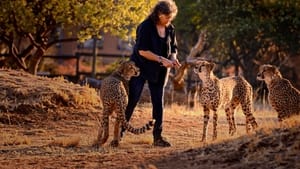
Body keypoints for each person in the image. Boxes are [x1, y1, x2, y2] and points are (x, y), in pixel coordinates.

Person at [122, 0, 181, 147]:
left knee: (158, 102)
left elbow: (173, 47)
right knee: (132, 100)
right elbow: (142, 51)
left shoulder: (170, 28)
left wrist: (173, 59)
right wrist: (162, 60)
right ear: (159, 14)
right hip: (140, 68)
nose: (169, 20)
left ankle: (158, 137)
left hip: (160, 70)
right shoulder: (145, 26)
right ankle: (119, 134)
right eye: (167, 17)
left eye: (171, 17)